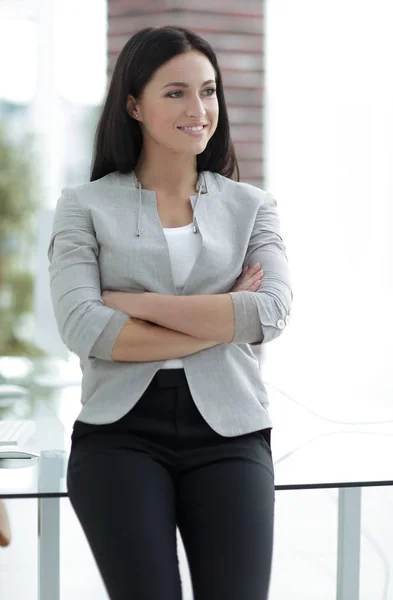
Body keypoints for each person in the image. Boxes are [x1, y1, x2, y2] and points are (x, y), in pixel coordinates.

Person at [47, 25, 292, 600]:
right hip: (119, 435)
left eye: (208, 91)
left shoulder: (253, 206)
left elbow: (270, 314)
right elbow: (82, 326)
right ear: (133, 104)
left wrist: (133, 305)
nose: (199, 108)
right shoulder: (82, 206)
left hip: (231, 433)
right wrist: (220, 317)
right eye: (176, 92)